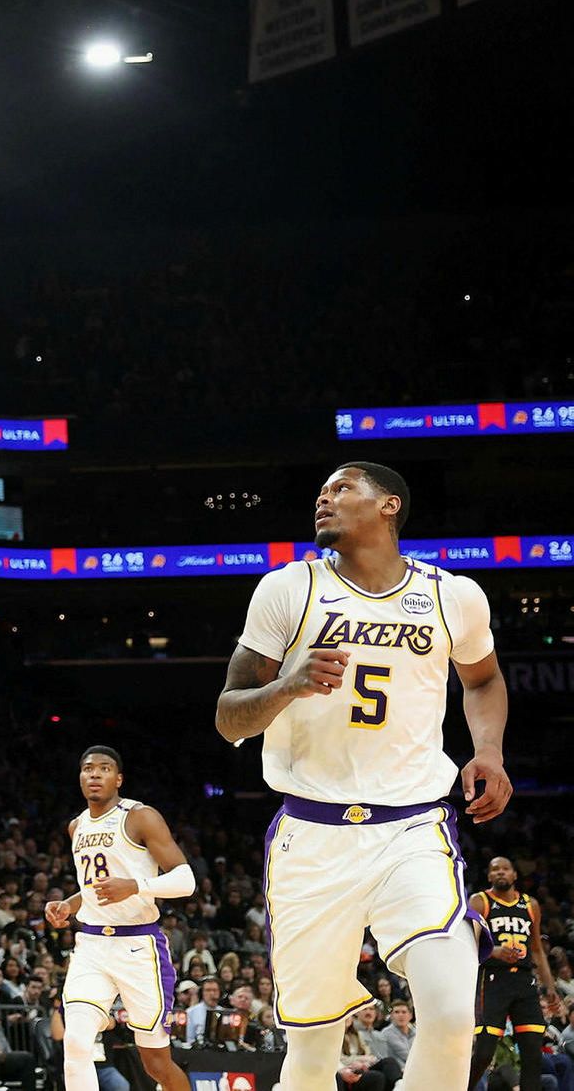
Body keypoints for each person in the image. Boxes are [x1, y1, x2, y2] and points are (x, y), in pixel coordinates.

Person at [216, 461, 511, 1091]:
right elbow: (228, 716)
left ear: (390, 506)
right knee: (312, 1054)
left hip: (413, 827)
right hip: (313, 836)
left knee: (456, 1015)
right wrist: (288, 686)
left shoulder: (452, 595)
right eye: (320, 491)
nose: (323, 498)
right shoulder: (289, 590)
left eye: (342, 488)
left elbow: (482, 679)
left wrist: (488, 749)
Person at [45, 747, 193, 1091]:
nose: (94, 774)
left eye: (104, 768)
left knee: (156, 1064)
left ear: (119, 779)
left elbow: (186, 880)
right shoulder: (76, 826)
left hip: (138, 947)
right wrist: (69, 904)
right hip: (92, 946)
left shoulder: (140, 817)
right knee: (77, 1042)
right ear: (80, 777)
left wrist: (136, 886)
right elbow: (94, 888)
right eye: (87, 769)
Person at [470, 856, 564, 1090]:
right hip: (492, 980)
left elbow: (537, 950)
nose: (500, 872)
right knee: (483, 1052)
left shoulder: (530, 904)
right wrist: (494, 950)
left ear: (514, 875)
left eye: (505, 869)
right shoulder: (480, 901)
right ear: (489, 876)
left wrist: (550, 987)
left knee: (533, 1054)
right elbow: (468, 943)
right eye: (495, 869)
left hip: (524, 982)